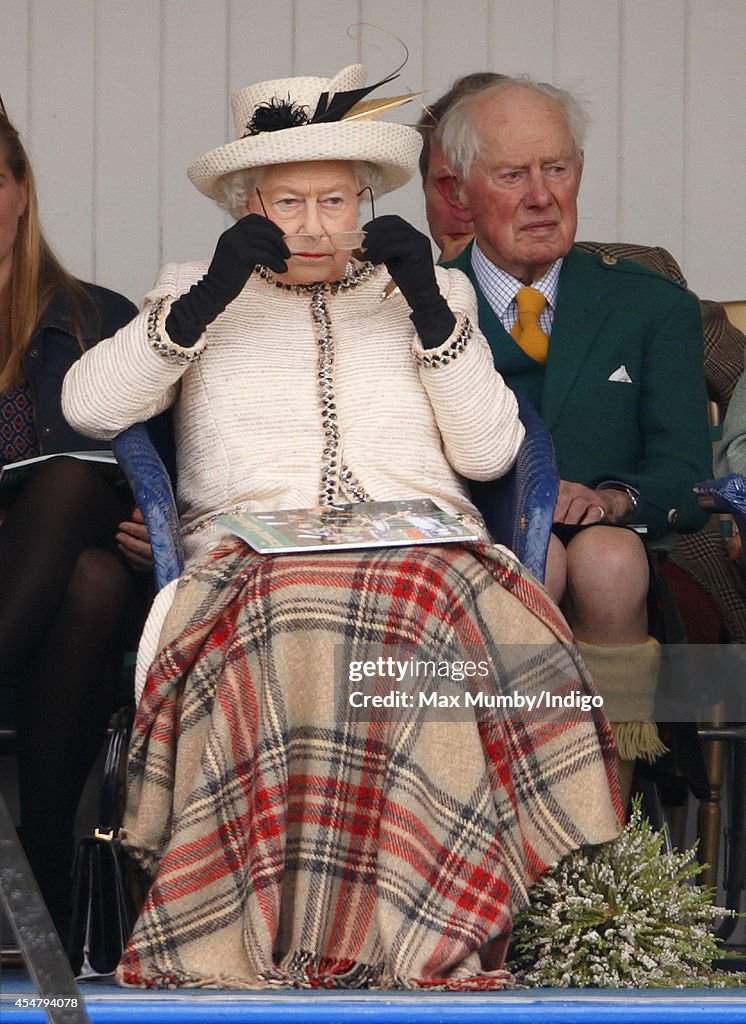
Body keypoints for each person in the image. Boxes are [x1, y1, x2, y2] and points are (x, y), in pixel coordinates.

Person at [62, 63, 621, 990]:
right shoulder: (192, 286)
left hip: (422, 550)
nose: (315, 225)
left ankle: (427, 925)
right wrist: (201, 305)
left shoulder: (418, 288)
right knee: (294, 614)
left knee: (422, 606)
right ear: (246, 205)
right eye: (289, 202)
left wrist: (436, 311)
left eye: (335, 200)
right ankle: (286, 930)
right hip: (254, 556)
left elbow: (489, 454)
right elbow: (88, 404)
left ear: (366, 204)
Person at [433, 75, 714, 796]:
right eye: (512, 174)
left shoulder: (651, 306)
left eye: (556, 168)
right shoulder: (421, 307)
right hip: (478, 543)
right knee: (537, 564)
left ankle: (603, 827)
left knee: (611, 559)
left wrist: (615, 500)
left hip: (615, 548)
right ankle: (507, 803)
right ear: (460, 191)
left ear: (579, 172)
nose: (541, 196)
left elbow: (685, 470)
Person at [0, 104, 151, 940]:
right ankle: (46, 871)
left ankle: (47, 863)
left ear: (22, 193)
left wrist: (145, 520)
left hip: (77, 582)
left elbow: (164, 470)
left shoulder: (101, 319)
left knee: (94, 572)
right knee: (84, 575)